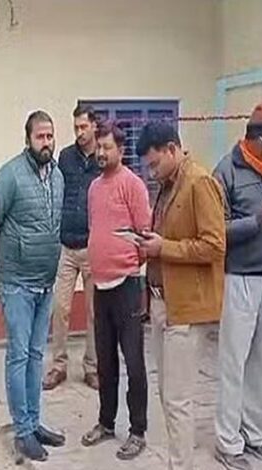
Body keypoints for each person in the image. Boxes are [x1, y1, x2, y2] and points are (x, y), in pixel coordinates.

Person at [136, 122, 226, 470]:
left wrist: (164, 247)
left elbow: (215, 246)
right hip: (162, 301)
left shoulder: (199, 183)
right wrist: (148, 241)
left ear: (172, 149)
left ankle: (181, 464)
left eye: (155, 163)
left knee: (178, 399)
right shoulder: (168, 184)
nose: (151, 172)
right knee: (169, 395)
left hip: (186, 307)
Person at [213, 103, 262, 470]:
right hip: (241, 277)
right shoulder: (226, 171)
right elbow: (216, 230)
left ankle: (255, 434)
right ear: (250, 137)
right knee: (234, 362)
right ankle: (228, 442)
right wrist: (256, 222)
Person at [0, 110, 66, 462]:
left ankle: (34, 423)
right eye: (40, 137)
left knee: (37, 355)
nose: (46, 142)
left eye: (50, 136)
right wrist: (5, 265)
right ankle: (22, 431)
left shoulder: (58, 176)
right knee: (19, 356)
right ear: (28, 139)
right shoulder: (9, 175)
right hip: (17, 284)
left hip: (45, 282)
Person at [79, 120, 150, 461]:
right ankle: (106, 422)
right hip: (100, 286)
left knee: (133, 362)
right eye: (99, 146)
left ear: (121, 150)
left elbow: (144, 235)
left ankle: (138, 430)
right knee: (105, 362)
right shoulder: (94, 188)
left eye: (107, 147)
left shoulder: (133, 185)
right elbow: (96, 229)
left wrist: (130, 266)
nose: (101, 152)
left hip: (127, 286)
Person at [43, 104, 101, 391]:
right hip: (66, 245)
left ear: (94, 126)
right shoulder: (65, 157)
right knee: (60, 308)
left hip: (93, 246)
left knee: (93, 311)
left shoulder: (103, 156)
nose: (79, 132)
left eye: (83, 127)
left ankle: (92, 367)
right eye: (76, 127)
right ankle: (58, 365)